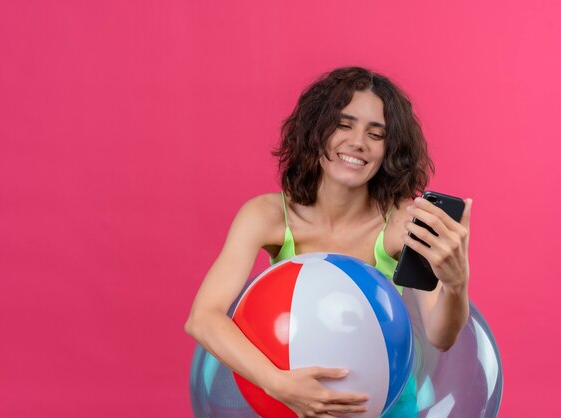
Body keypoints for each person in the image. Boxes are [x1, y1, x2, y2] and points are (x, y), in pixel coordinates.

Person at [185, 66, 472, 417]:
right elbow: (203, 318)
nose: (357, 143)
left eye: (376, 134)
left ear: (389, 150)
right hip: (292, 401)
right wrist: (276, 383)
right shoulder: (267, 216)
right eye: (344, 124)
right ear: (317, 130)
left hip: (387, 405)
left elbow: (440, 336)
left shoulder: (403, 224)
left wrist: (456, 285)